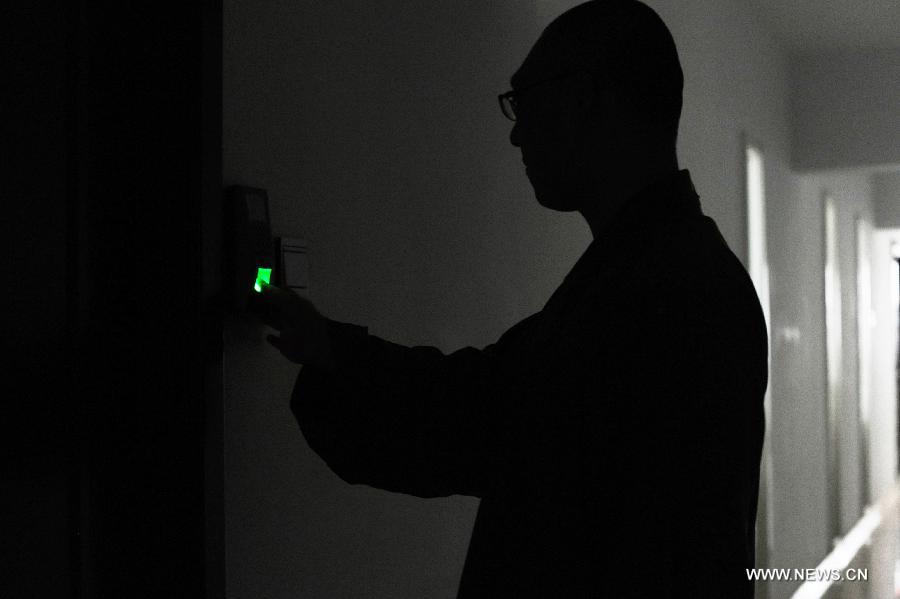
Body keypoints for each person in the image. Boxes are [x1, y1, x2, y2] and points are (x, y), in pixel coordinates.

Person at [255, 1, 767, 597]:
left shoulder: (659, 291)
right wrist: (332, 351)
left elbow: (483, 417)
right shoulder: (673, 273)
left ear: (586, 98)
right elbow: (497, 403)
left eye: (526, 100)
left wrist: (336, 357)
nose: (517, 132)